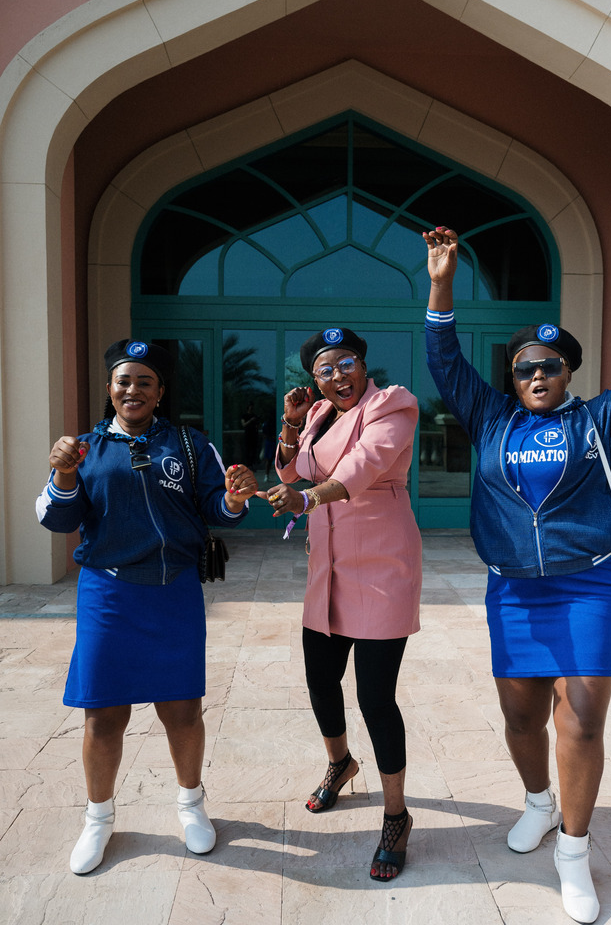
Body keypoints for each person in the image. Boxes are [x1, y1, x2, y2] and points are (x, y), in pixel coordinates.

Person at [424, 228, 611, 923]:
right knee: (522, 717)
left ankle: (574, 851)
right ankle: (538, 803)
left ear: (568, 373)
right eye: (523, 369)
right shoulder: (490, 418)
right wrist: (442, 285)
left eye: (549, 366)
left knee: (583, 720)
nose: (536, 377)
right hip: (513, 588)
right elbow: (444, 361)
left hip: (588, 585)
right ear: (511, 379)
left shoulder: (599, 420)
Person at [36, 339, 258, 874]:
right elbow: (56, 519)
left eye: (144, 382)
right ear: (110, 388)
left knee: (182, 710)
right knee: (103, 715)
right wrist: (63, 474)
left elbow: (217, 507)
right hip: (108, 595)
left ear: (160, 392)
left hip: (173, 592)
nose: (132, 390)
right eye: (124, 381)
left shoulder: (188, 444)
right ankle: (98, 818)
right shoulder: (83, 449)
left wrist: (234, 498)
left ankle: (191, 805)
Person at [256, 327, 422, 881]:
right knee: (320, 680)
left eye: (345, 363)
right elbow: (291, 474)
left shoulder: (392, 404)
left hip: (381, 566)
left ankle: (396, 816)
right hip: (327, 568)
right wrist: (290, 425)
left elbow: (362, 468)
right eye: (325, 370)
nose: (337, 376)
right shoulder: (318, 414)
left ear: (363, 364)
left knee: (375, 698)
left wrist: (305, 498)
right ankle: (341, 763)